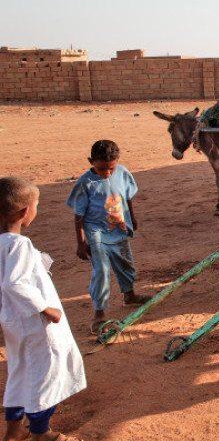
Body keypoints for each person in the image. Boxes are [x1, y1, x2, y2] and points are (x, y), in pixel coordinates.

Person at [1, 176, 87, 441]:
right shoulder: (19, 245)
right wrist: (45, 308)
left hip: (13, 321)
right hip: (35, 322)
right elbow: (14, 283)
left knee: (20, 370)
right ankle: (42, 436)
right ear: (25, 212)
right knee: (46, 373)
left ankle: (14, 431)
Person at [66, 140, 151, 332]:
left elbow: (128, 197)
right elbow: (78, 215)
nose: (107, 173)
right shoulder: (85, 183)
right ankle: (99, 314)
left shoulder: (122, 173)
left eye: (111, 169)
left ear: (117, 162)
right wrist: (81, 243)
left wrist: (132, 218)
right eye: (102, 169)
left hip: (119, 229)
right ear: (91, 161)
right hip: (97, 233)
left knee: (126, 265)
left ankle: (129, 295)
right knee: (102, 271)